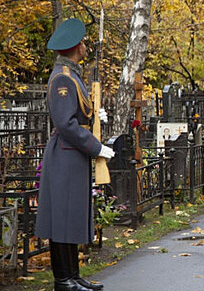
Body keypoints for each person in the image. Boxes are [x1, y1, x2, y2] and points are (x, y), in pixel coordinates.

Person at [35, 18, 115, 291]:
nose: (85, 46)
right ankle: (63, 280)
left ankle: (74, 276)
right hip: (66, 156)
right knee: (62, 218)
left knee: (71, 216)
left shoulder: (72, 75)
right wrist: (96, 147)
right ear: (74, 47)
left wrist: (95, 118)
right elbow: (66, 124)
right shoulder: (63, 79)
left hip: (73, 156)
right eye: (82, 43)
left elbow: (77, 114)